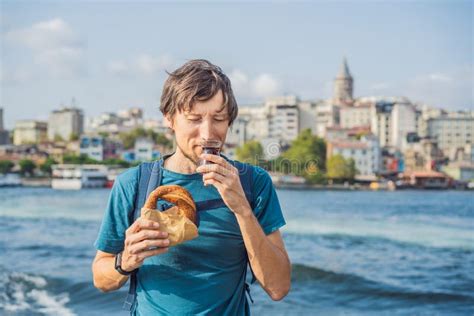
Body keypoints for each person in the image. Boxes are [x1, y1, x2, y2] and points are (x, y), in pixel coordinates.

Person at [92, 59, 291, 315]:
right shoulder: (132, 184)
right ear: (169, 118)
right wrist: (126, 259)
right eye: (194, 119)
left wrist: (242, 209)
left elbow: (278, 288)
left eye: (219, 118)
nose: (208, 133)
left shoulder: (254, 182)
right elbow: (101, 278)